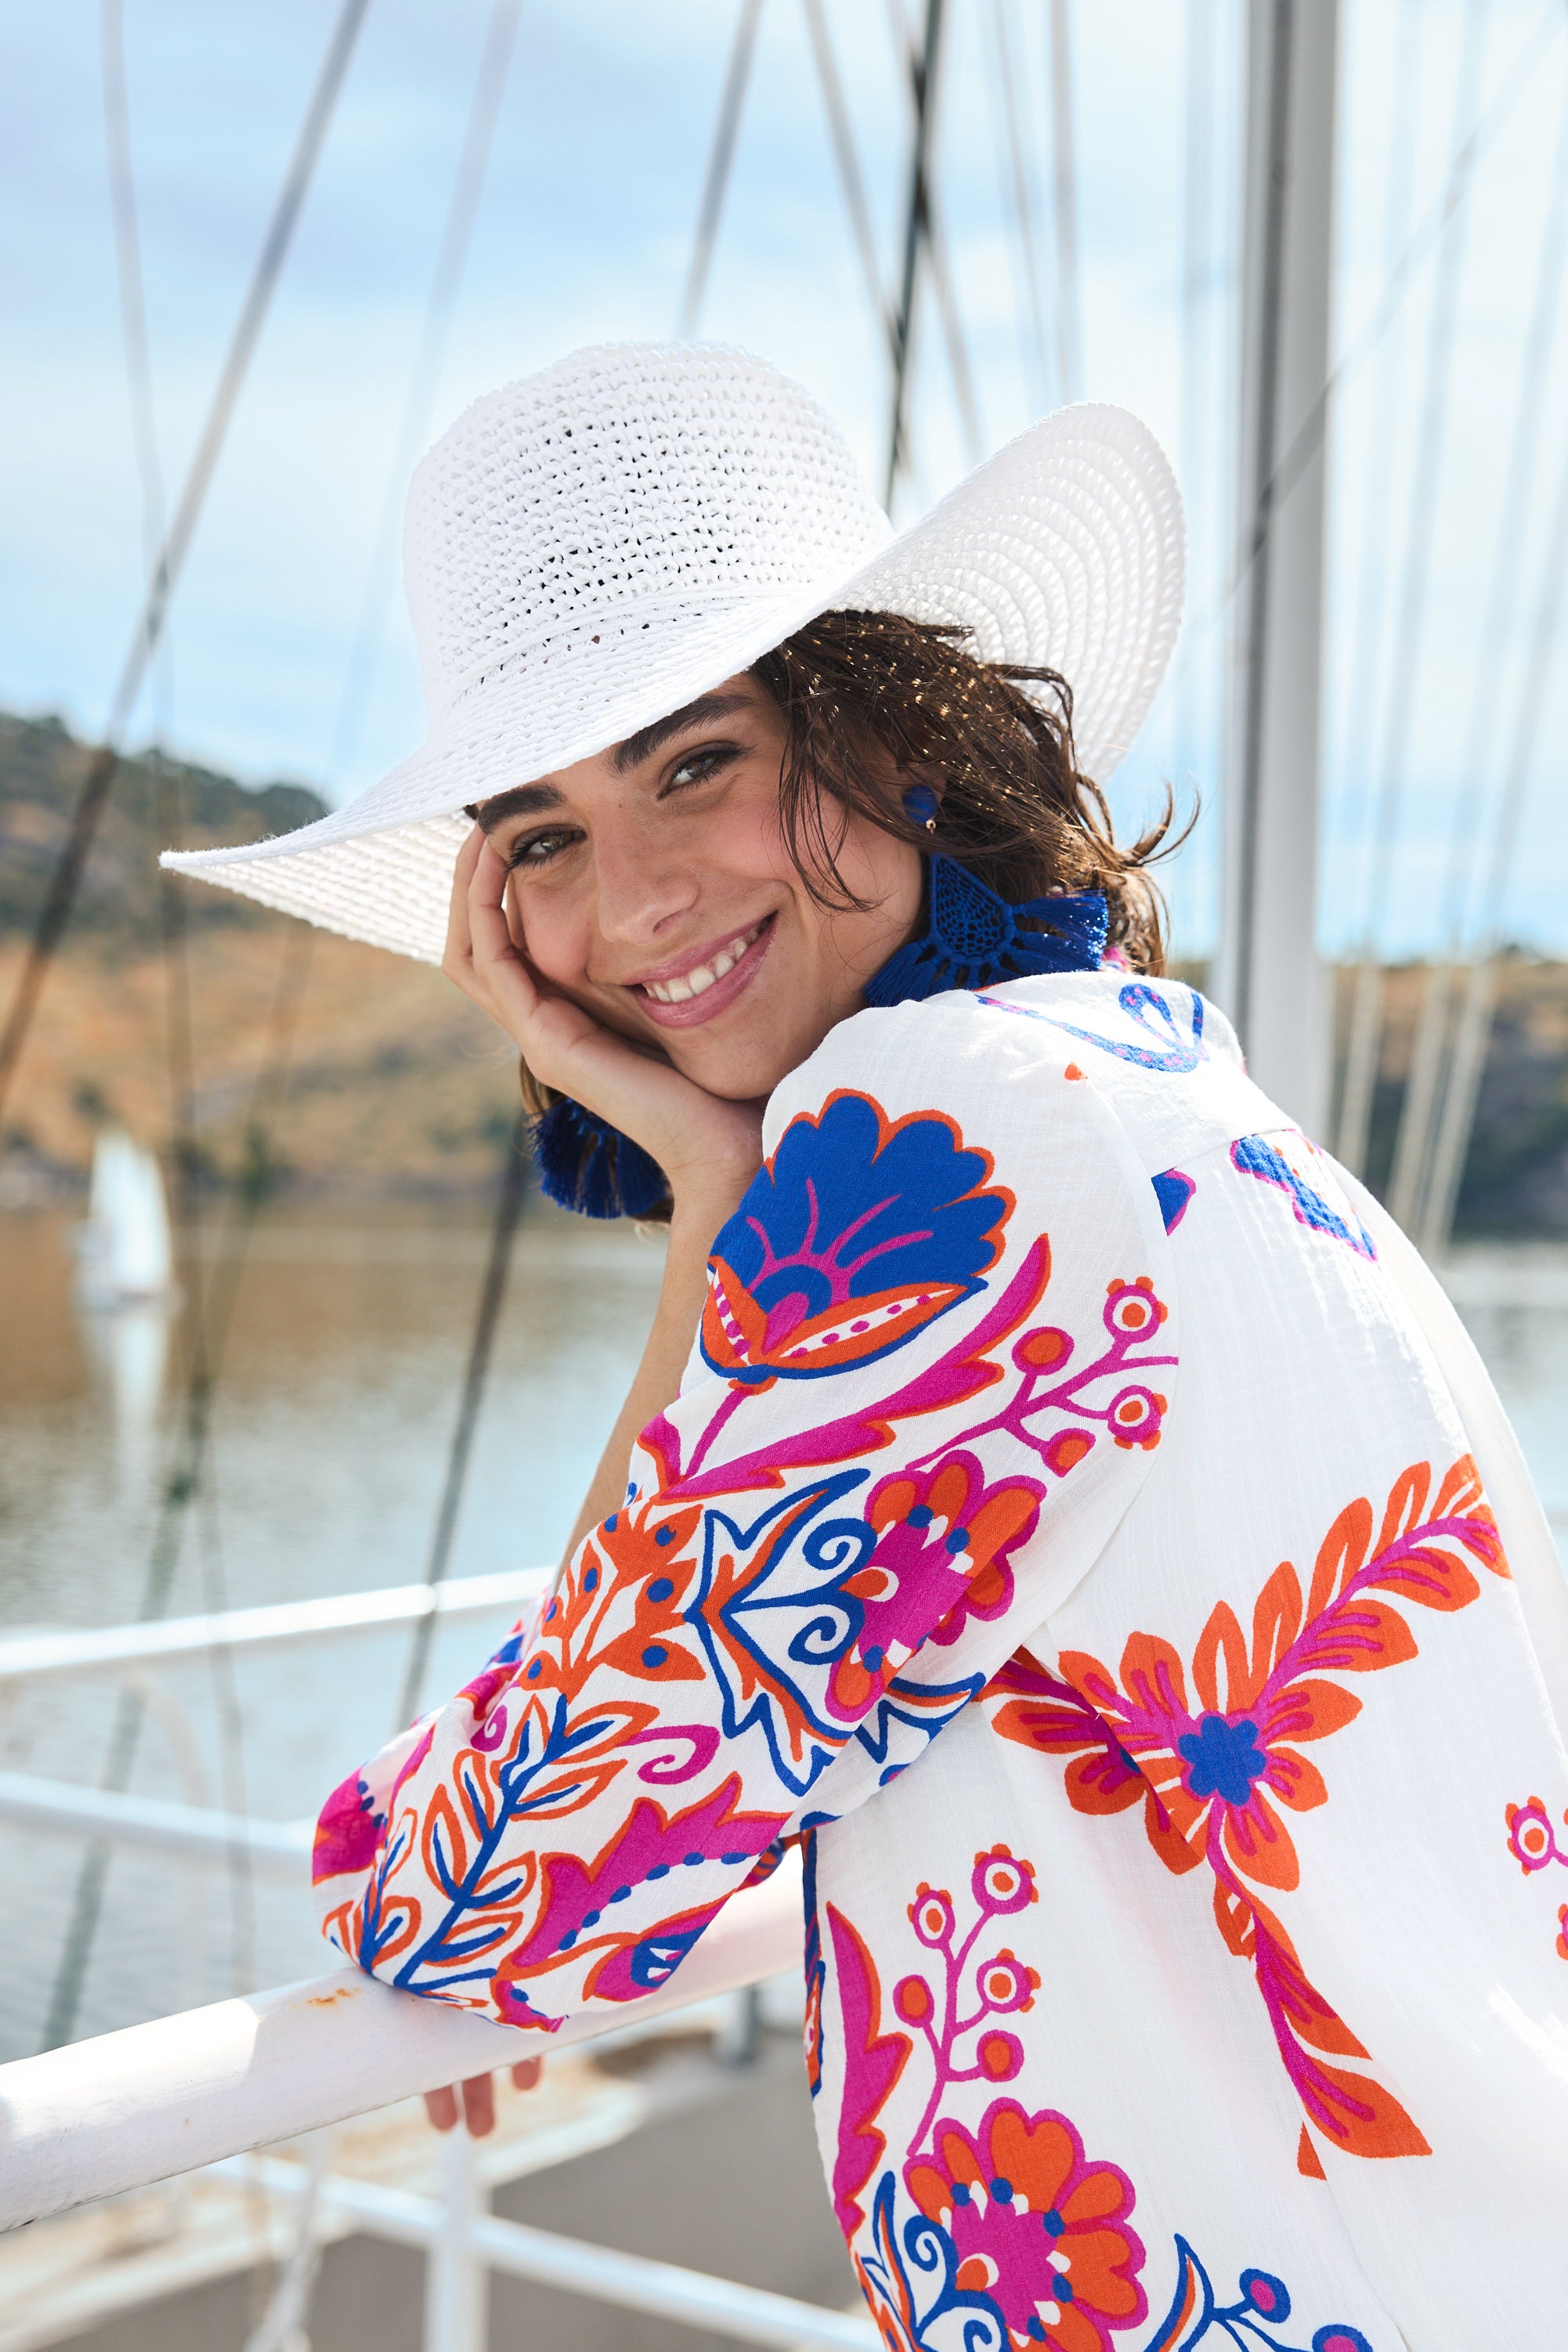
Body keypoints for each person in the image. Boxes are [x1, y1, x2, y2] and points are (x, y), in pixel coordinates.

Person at [167, 345, 1568, 2352]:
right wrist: (713, 1200)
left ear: (891, 738)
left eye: (689, 759)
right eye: (537, 836)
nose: (633, 898)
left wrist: (717, 1207)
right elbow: (649, 1708)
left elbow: (492, 1874)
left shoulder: (951, 1143)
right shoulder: (1142, 1091)